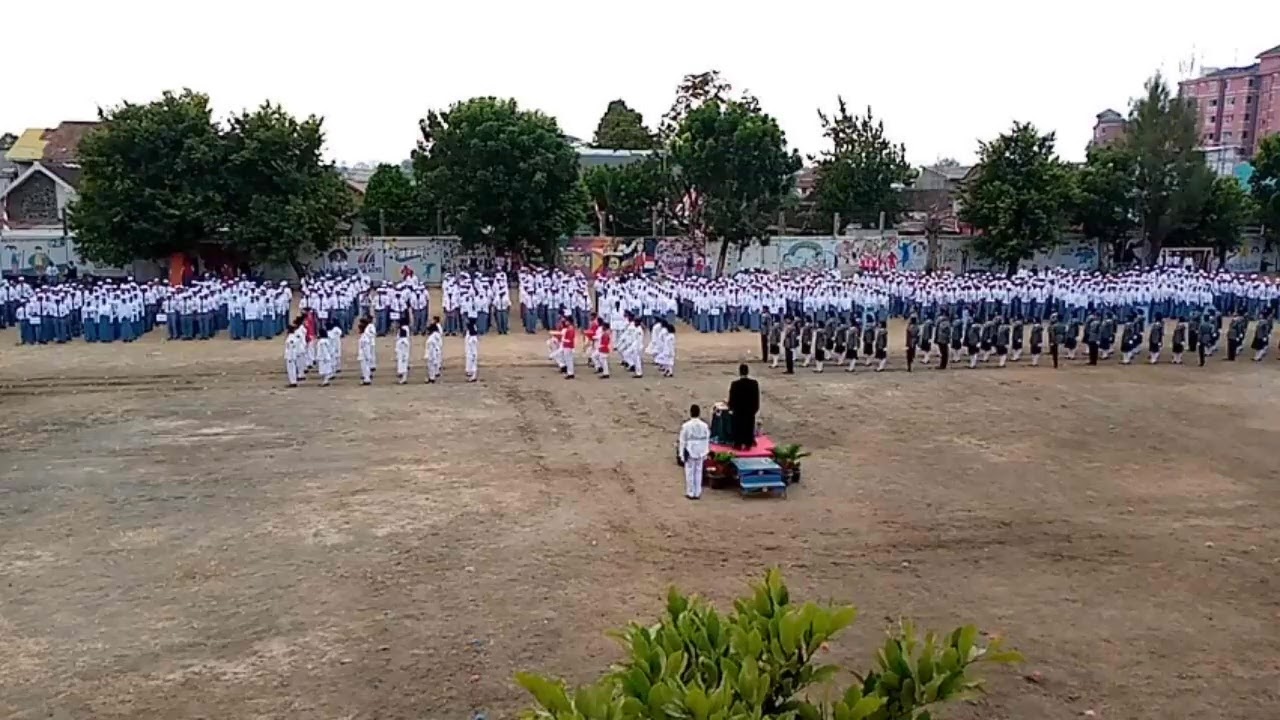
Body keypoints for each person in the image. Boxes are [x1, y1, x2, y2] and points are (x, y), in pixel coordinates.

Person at [678, 404, 711, 500]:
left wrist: (681, 454)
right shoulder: (704, 426)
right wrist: (706, 452)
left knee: (689, 472)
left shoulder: (686, 426)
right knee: (698, 472)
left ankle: (690, 492)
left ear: (691, 413)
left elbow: (682, 441)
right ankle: (697, 492)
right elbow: (707, 439)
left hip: (690, 450)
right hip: (701, 450)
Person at [727, 364, 760, 450]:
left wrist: (731, 408)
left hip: (738, 410)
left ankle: (738, 443)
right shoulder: (754, 384)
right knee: (749, 427)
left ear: (739, 372)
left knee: (738, 427)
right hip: (750, 410)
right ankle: (748, 443)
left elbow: (732, 398)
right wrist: (755, 409)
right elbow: (757, 397)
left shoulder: (735, 384)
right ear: (748, 372)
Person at [358, 317, 376, 385]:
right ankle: (366, 377)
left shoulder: (364, 337)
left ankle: (367, 379)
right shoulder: (364, 335)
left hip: (364, 355)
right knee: (365, 367)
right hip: (364, 355)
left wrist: (366, 356)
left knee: (365, 367)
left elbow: (365, 348)